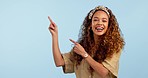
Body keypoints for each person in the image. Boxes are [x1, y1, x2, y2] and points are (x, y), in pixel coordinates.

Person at [48, 5, 125, 78]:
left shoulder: (114, 46)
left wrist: (84, 54)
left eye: (104, 21)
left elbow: (103, 72)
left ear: (109, 25)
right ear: (90, 24)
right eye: (95, 20)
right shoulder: (82, 46)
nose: (99, 23)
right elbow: (59, 62)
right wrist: (55, 35)